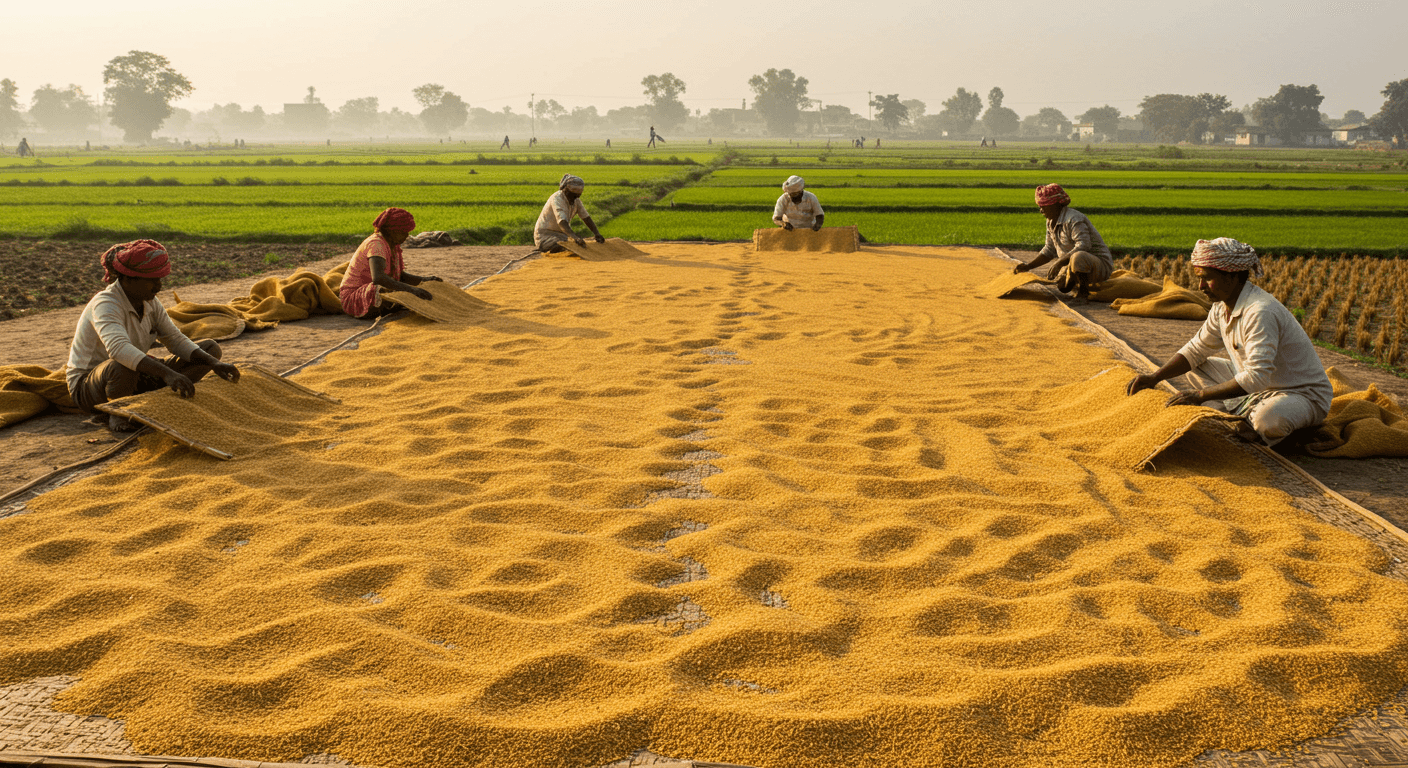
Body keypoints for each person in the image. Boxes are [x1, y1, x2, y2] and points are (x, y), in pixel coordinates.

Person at [1127, 238, 1333, 447]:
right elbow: (1196, 349)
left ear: (1232, 276)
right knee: (1195, 366)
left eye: (1207, 278)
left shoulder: (1260, 312)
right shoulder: (1221, 307)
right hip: (1259, 386)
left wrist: (1199, 395)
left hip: (1300, 393)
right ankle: (1247, 414)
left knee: (1268, 423)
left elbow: (1257, 377)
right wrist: (1155, 377)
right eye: (1200, 278)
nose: (1200, 286)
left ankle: (1277, 424)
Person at [67, 240, 241, 432]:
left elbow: (174, 339)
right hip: (91, 387)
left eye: (159, 280)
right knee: (122, 364)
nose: (158, 286)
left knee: (210, 348)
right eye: (152, 280)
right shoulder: (105, 304)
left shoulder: (150, 302)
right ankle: (117, 412)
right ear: (128, 278)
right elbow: (118, 349)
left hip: (134, 375)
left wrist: (213, 363)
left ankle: (156, 399)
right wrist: (168, 373)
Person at [1012, 183, 1113, 305]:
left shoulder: (1073, 219)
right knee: (1062, 286)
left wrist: (1059, 262)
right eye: (1040, 206)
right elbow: (1049, 249)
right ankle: (1077, 282)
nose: (1041, 210)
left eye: (1044, 206)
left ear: (1056, 205)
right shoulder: (1050, 222)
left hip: (1099, 266)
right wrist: (1028, 266)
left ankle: (1083, 294)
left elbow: (1084, 245)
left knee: (1078, 256)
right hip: (1074, 264)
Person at [339, 208, 443, 319]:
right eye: (403, 232)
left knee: (412, 290)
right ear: (392, 231)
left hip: (369, 291)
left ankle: (395, 306)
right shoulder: (376, 244)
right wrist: (412, 289)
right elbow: (378, 278)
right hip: (355, 298)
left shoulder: (393, 245)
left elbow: (400, 276)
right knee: (384, 288)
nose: (407, 235)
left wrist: (424, 280)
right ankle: (390, 308)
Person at [533, 174, 606, 253]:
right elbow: (562, 221)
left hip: (562, 236)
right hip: (545, 236)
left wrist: (597, 233)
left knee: (572, 245)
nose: (575, 196)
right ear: (565, 189)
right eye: (572, 193)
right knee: (564, 246)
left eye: (578, 194)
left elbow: (586, 217)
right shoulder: (557, 198)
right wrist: (575, 238)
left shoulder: (575, 200)